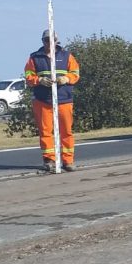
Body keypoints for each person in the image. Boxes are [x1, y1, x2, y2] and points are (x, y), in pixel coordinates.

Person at [24, 30, 80, 172]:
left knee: (66, 131)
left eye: (52, 40)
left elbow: (75, 73)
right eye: (46, 40)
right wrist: (39, 80)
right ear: (42, 41)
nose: (49, 43)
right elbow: (28, 77)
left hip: (64, 100)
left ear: (56, 41)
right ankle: (49, 160)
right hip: (43, 101)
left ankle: (68, 161)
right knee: (45, 131)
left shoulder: (66, 56)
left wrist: (66, 78)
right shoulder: (35, 58)